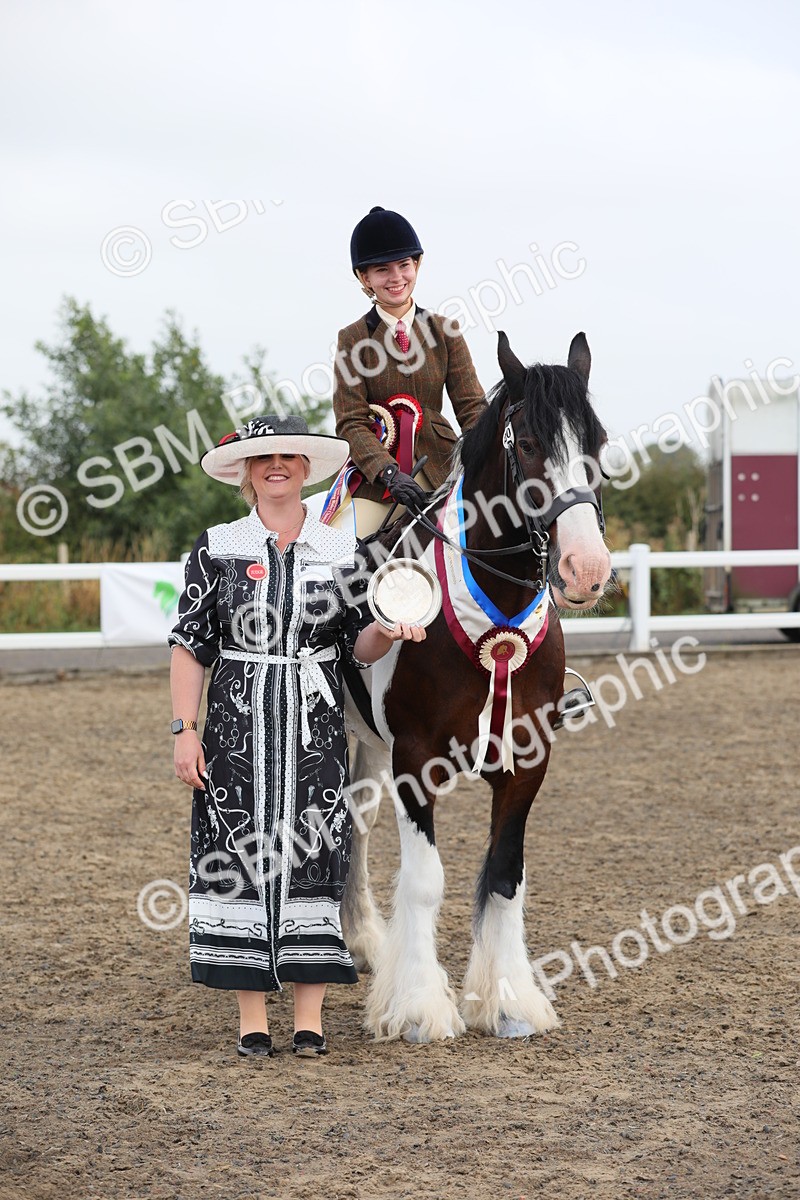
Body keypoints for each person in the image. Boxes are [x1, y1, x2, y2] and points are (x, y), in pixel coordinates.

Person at [168, 414, 425, 1059]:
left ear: (307, 468)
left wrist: (388, 629)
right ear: (246, 472)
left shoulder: (341, 551)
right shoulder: (217, 547)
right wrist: (184, 729)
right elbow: (190, 645)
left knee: (314, 857)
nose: (276, 466)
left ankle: (309, 1022)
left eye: (288, 456)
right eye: (263, 458)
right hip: (235, 729)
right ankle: (252, 1021)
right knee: (238, 859)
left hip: (314, 728)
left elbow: (357, 647)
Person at [329, 206, 486, 534]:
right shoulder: (352, 338)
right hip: (380, 484)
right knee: (344, 548)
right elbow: (350, 421)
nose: (396, 277)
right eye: (382, 270)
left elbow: (472, 408)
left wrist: (483, 461)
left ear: (417, 264)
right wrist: (387, 472)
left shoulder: (445, 331)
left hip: (443, 468)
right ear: (365, 278)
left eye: (404, 265)